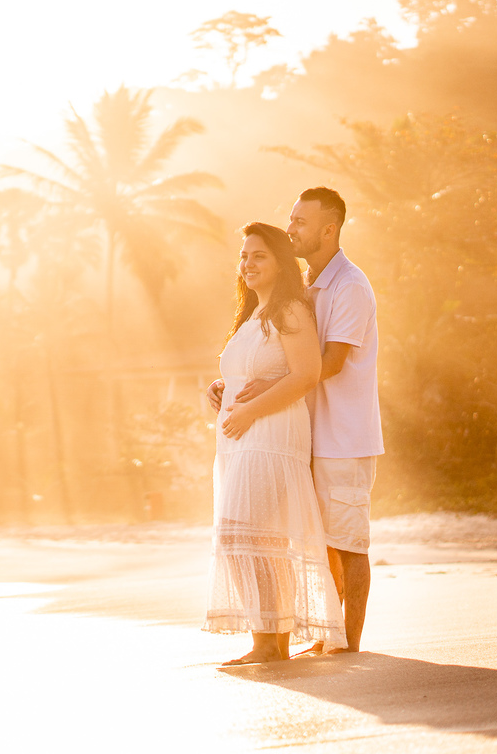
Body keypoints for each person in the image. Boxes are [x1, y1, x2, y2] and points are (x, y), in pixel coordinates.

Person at [208, 187, 383, 654]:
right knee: (315, 538)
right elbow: (275, 356)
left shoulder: (349, 286)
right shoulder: (304, 289)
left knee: (348, 541)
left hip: (343, 434)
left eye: (301, 223)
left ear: (330, 229)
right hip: (304, 429)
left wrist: (266, 388)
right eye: (291, 220)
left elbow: (328, 364)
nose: (292, 229)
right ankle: (324, 637)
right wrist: (237, 385)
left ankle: (348, 642)